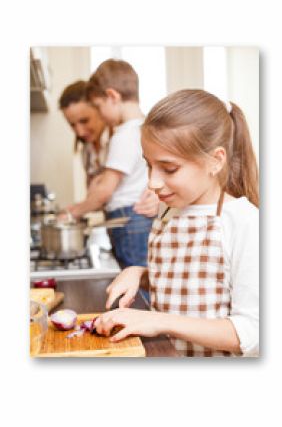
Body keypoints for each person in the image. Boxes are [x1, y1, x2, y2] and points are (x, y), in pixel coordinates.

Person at [93, 89, 259, 357]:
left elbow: (252, 333)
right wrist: (140, 273)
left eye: (169, 169)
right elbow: (190, 283)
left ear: (215, 161)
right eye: (149, 165)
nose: (152, 182)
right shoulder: (169, 211)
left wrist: (158, 321)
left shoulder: (245, 223)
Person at [62, 59, 158, 269]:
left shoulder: (123, 135)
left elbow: (105, 190)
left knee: (135, 280)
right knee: (139, 279)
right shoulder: (144, 129)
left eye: (97, 107)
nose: (79, 131)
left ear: (112, 96)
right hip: (132, 219)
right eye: (72, 125)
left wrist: (73, 212)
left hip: (129, 219)